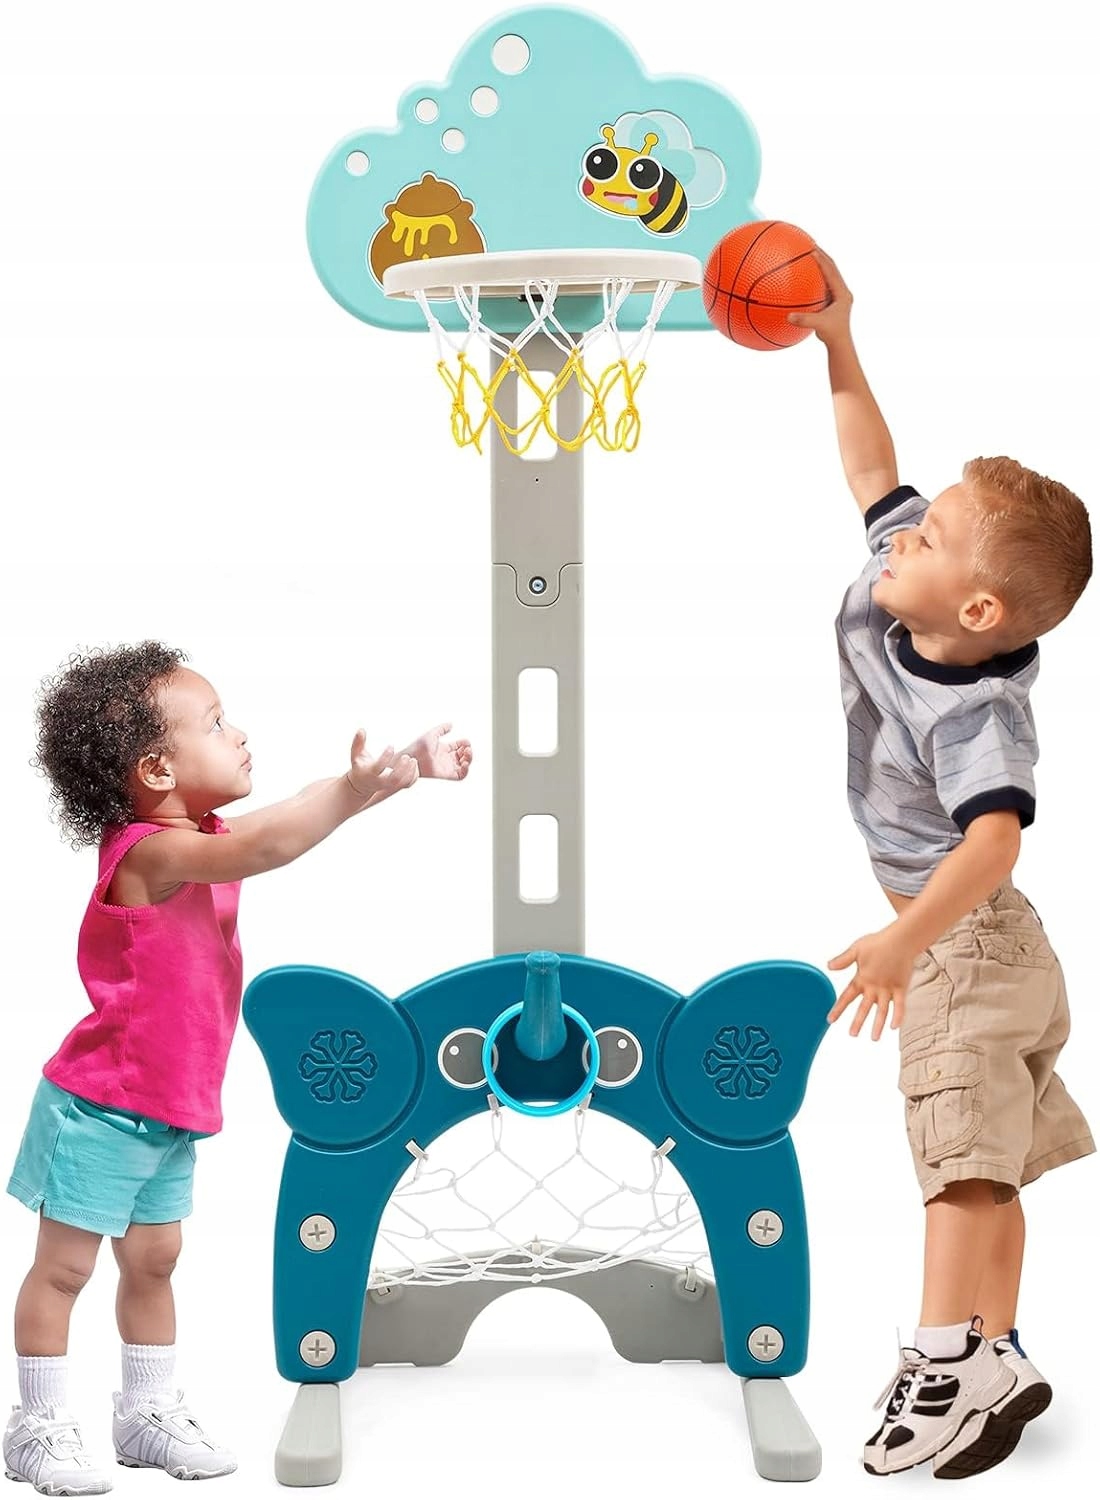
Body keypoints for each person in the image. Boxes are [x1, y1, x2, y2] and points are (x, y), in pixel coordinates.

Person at [3, 641, 471, 1495]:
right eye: (217, 724)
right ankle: (36, 1428)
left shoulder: (203, 835)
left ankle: (145, 1415)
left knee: (155, 1262)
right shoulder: (148, 854)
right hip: (99, 1108)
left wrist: (388, 775)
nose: (240, 734)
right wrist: (356, 789)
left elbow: (281, 818)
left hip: (167, 1110)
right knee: (64, 1270)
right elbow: (267, 847)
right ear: (157, 768)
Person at [789, 258, 1095, 1479]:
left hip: (964, 943)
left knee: (954, 1164)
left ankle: (937, 1363)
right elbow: (871, 467)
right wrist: (836, 341)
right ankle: (996, 1353)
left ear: (975, 611)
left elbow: (994, 839)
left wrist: (903, 941)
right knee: (991, 1166)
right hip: (991, 945)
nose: (902, 529)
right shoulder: (901, 586)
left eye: (929, 536)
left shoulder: (975, 711)